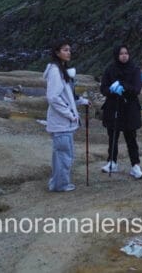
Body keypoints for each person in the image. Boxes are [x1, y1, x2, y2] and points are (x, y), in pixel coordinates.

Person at [99, 45, 142, 179]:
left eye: (126, 53)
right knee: (113, 136)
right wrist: (112, 90)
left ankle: (135, 166)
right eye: (121, 54)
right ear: (116, 55)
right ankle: (112, 162)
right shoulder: (110, 69)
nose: (124, 56)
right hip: (113, 107)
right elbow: (103, 89)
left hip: (130, 108)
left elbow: (137, 89)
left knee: (131, 138)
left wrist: (123, 86)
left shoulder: (135, 70)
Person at [44, 42, 82, 192]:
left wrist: (81, 101)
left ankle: (57, 183)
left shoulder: (60, 69)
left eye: (69, 50)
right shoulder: (55, 71)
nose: (69, 53)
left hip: (62, 123)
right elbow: (53, 97)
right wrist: (70, 114)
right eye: (65, 50)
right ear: (57, 52)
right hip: (61, 123)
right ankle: (61, 185)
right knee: (64, 156)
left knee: (61, 155)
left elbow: (66, 96)